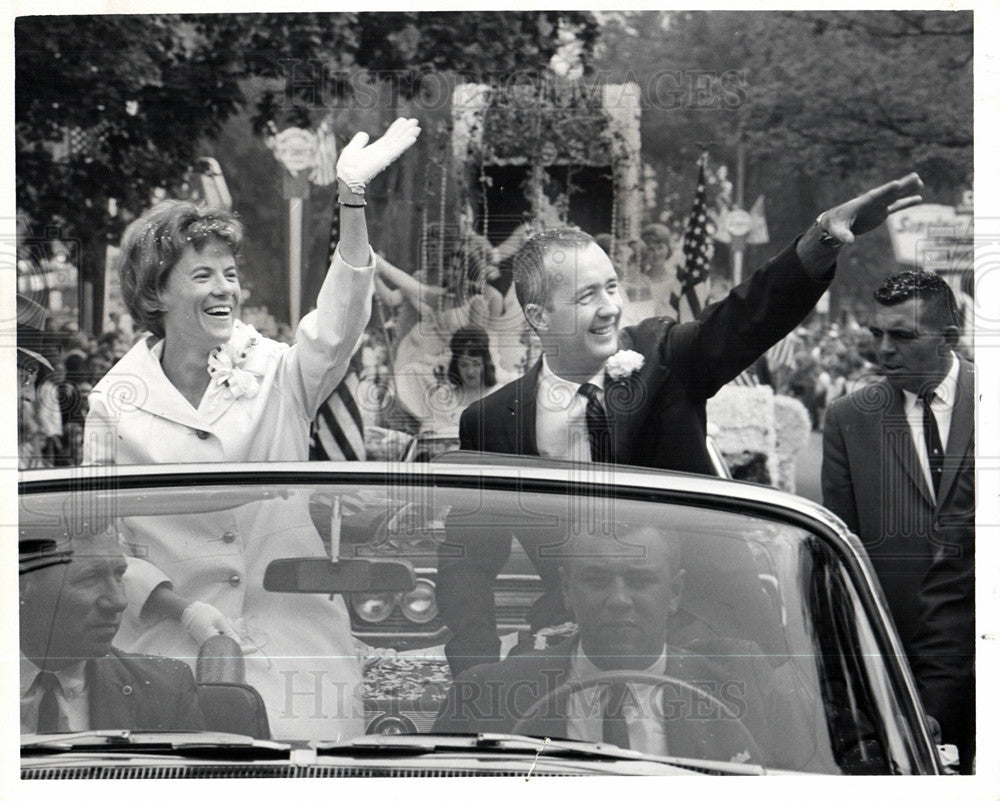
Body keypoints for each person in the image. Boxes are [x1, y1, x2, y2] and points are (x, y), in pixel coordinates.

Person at [440, 174, 925, 676]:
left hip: (715, 630)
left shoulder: (663, 355)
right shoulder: (493, 422)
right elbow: (467, 563)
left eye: (612, 286)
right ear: (539, 316)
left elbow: (746, 316)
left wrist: (822, 238)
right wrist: (475, 669)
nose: (611, 307)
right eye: (588, 297)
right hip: (580, 639)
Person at [82, 117, 420, 740]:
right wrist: (191, 617)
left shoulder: (278, 370)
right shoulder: (113, 402)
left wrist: (350, 200)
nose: (225, 291)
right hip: (170, 654)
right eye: (203, 275)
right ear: (155, 293)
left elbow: (340, 322)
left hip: (296, 648)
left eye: (230, 274)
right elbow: (105, 550)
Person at [434, 524, 816, 770]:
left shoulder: (744, 679)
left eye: (640, 580)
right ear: (566, 590)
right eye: (597, 580)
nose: (619, 599)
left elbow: (805, 782)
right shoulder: (485, 694)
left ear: (675, 593)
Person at [821, 270, 974, 772]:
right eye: (876, 334)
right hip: (898, 666)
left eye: (902, 336)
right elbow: (841, 557)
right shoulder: (849, 419)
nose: (883, 350)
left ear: (949, 338)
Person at [20, 526, 204, 734]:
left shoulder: (165, 691)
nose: (119, 601)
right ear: (20, 586)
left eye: (119, 575)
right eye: (89, 579)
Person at [422, 326, 498, 437]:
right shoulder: (443, 396)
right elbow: (428, 437)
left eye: (476, 364)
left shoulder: (499, 394)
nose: (470, 372)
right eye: (463, 365)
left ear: (485, 363)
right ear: (455, 365)